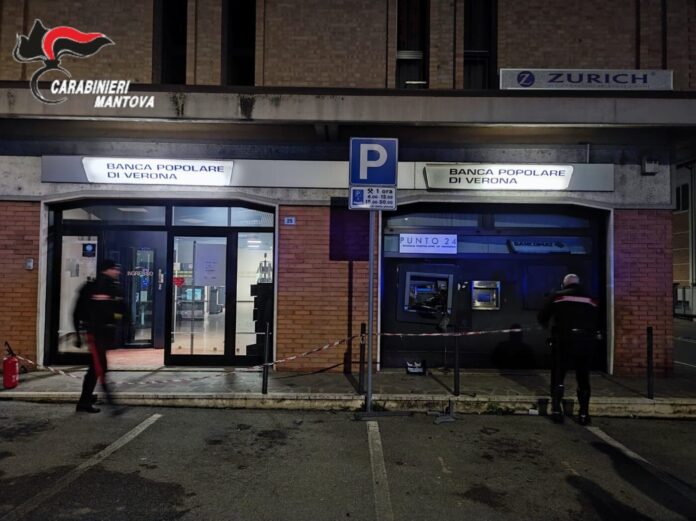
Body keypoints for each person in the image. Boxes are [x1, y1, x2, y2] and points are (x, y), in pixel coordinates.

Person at [538, 274, 599, 425]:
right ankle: (584, 414)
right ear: (578, 283)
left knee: (559, 375)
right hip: (586, 341)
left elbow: (542, 316)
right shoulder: (591, 298)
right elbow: (599, 319)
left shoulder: (558, 296)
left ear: (564, 284)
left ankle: (557, 411)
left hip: (564, 340)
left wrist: (547, 325)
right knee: (583, 377)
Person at [74, 259, 126, 414]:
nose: (117, 272)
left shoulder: (114, 287)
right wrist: (78, 334)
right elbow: (77, 312)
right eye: (114, 269)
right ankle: (106, 402)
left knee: (96, 367)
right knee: (99, 367)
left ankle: (85, 399)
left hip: (103, 334)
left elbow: (121, 309)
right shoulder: (93, 287)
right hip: (95, 334)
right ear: (106, 269)